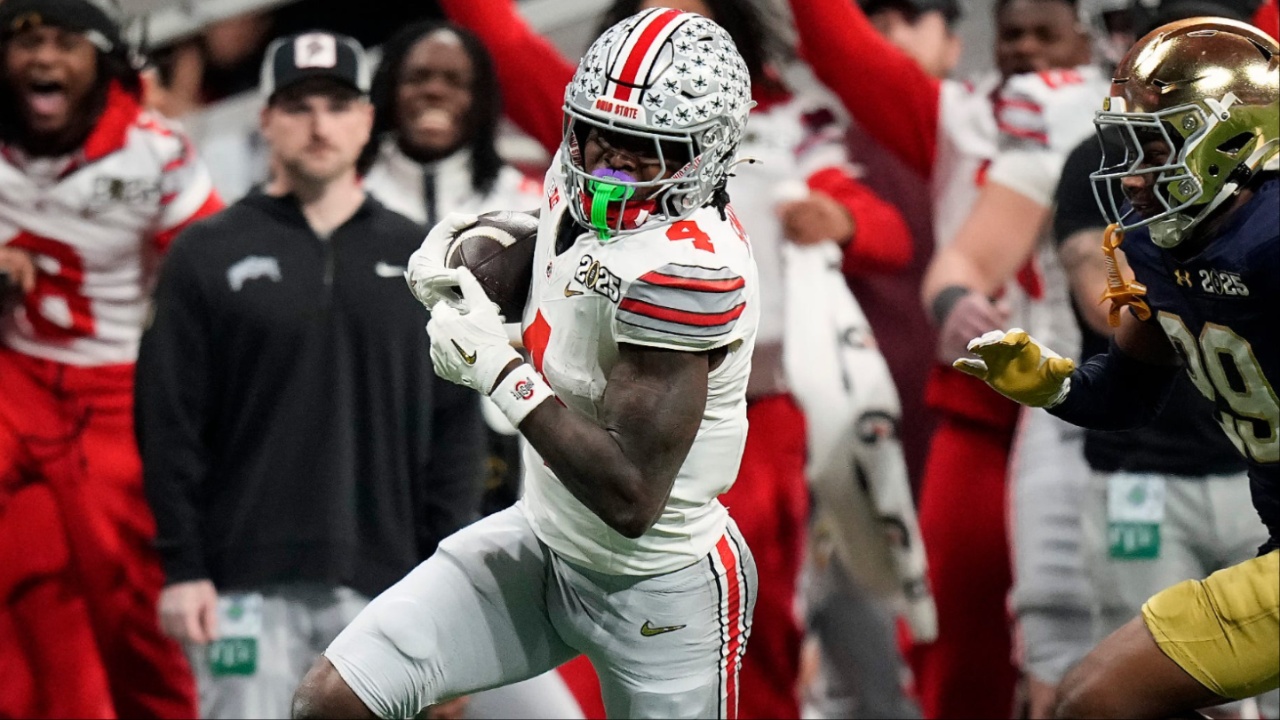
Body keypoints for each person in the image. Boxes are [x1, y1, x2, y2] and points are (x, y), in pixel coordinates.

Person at [438, 1, 915, 716]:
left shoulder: (786, 121)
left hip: (752, 415)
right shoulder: (598, 125)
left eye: (692, 29)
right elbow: (501, 38)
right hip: (596, 408)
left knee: (737, 634)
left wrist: (842, 219)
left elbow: (890, 234)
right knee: (579, 615)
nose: (668, 50)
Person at [292, 9, 761, 719]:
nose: (605, 163)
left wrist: (499, 372)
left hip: (661, 590)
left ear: (706, 154)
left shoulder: (690, 269)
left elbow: (630, 498)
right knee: (334, 700)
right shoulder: (584, 176)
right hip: (542, 539)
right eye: (596, 132)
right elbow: (567, 266)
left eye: (642, 148)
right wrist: (471, 269)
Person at [135, 31, 487, 719]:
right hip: (241, 588)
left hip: (391, 588)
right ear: (264, 119)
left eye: (337, 103)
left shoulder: (424, 260)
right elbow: (167, 425)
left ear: (366, 119)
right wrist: (183, 570)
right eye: (298, 105)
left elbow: (457, 438)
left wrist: (447, 597)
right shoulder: (204, 255)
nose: (319, 124)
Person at [955, 17, 1278, 718]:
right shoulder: (1166, 247)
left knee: (1100, 698)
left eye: (1156, 147)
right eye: (1132, 147)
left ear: (1229, 143)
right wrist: (1053, 385)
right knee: (1090, 698)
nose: (1134, 176)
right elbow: (1126, 396)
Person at [787, 0, 1095, 714]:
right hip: (985, 402)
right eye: (1011, 34)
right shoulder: (960, 114)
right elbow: (839, 48)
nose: (1024, 49)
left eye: (1045, 33)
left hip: (1121, 409)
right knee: (954, 628)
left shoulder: (1143, 107)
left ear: (1090, 34)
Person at [0, 0, 222, 716]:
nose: (41, 60)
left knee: (129, 600)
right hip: (12, 380)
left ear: (103, 60)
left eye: (64, 43)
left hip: (115, 395)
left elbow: (220, 281)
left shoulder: (153, 148)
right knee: (25, 591)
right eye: (24, 42)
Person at [360, 21, 584, 719]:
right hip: (377, 472)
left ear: (484, 98)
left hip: (506, 464)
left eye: (454, 80)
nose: (434, 91)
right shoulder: (348, 199)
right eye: (417, 76)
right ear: (386, 92)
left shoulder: (533, 197)